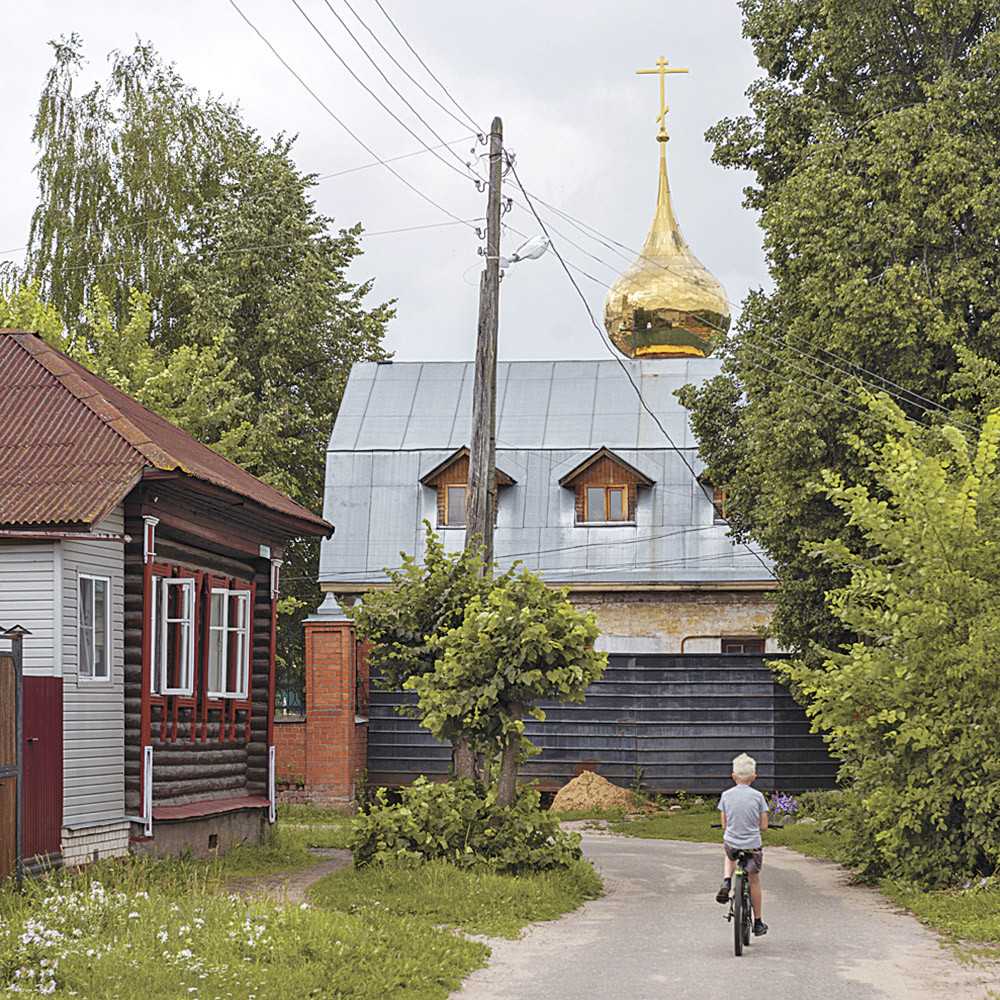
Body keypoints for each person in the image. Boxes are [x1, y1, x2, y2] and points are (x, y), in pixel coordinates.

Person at [715, 752, 769, 936]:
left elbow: (724, 825)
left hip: (732, 843)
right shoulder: (758, 797)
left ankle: (726, 880)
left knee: (730, 854)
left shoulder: (725, 795)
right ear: (754, 777)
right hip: (752, 845)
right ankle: (758, 922)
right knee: (754, 880)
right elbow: (763, 826)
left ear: (733, 776)